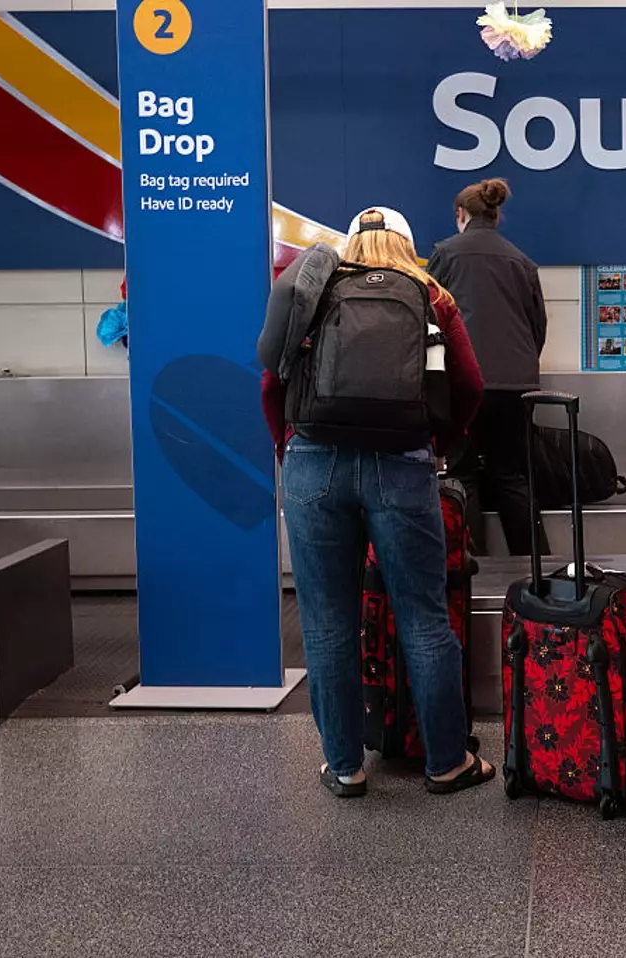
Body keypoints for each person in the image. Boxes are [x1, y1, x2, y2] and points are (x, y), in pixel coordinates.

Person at [258, 206, 494, 797]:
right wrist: (436, 441)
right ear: (407, 245)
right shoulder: (429, 294)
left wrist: (289, 449)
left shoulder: (316, 288)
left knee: (328, 623)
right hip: (402, 464)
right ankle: (447, 762)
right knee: (423, 616)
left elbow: (271, 379)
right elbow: (470, 385)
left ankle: (344, 766)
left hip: (315, 462)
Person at [428, 178, 550, 556]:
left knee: (463, 474)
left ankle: (471, 570)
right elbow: (537, 327)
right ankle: (537, 569)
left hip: (465, 384)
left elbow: (428, 319)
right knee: (511, 475)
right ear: (495, 217)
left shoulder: (445, 255)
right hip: (517, 385)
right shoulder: (521, 261)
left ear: (461, 214)